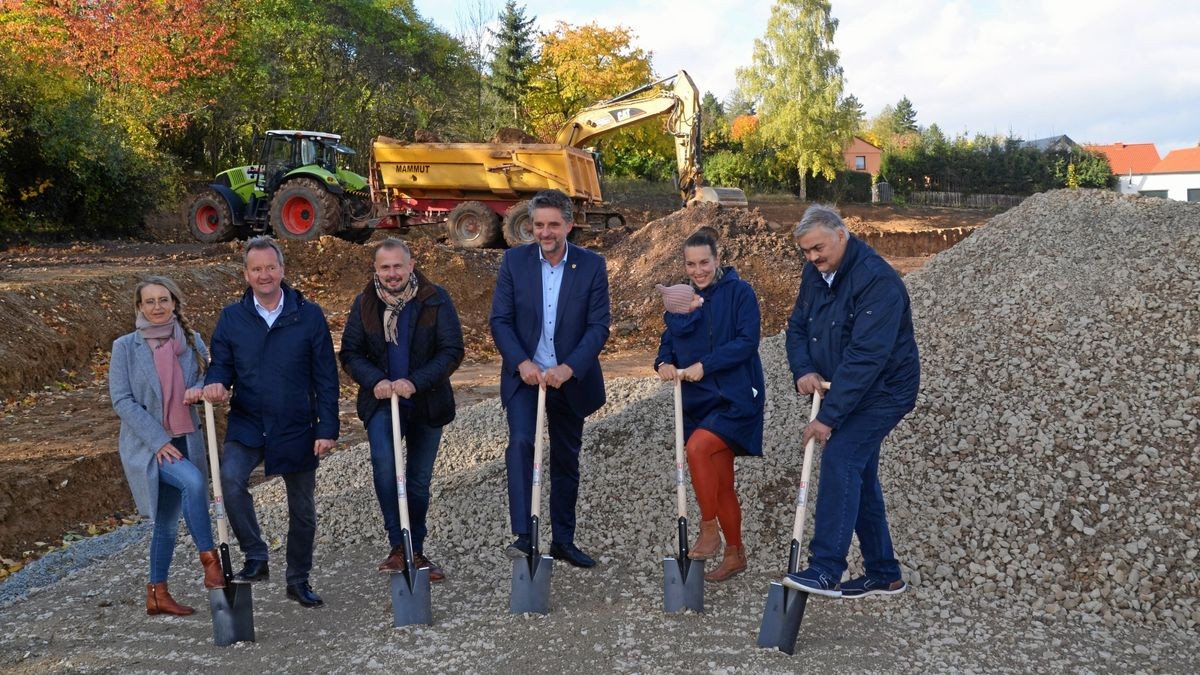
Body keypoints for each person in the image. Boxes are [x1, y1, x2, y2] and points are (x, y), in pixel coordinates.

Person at [781, 204, 920, 599]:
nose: (812, 258)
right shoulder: (816, 273)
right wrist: (804, 369)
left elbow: (866, 357)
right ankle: (884, 573)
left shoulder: (877, 280)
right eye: (806, 251)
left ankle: (826, 569)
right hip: (843, 386)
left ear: (841, 234)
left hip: (884, 391)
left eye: (818, 248)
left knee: (841, 458)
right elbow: (797, 327)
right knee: (858, 475)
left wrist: (828, 417)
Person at [202, 236, 340, 608]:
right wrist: (215, 382)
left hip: (296, 424)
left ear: (282, 269)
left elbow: (326, 376)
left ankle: (298, 580)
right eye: (256, 269)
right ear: (246, 274)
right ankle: (256, 555)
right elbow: (221, 365)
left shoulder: (308, 315)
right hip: (248, 422)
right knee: (230, 480)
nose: (264, 275)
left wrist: (327, 427)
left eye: (270, 267)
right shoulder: (232, 318)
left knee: (303, 510)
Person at [489, 189, 610, 568]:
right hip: (525, 376)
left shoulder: (591, 266)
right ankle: (525, 536)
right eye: (538, 224)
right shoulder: (514, 262)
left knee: (566, 458)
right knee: (521, 443)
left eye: (553, 225)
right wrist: (521, 362)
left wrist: (569, 368)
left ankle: (563, 540)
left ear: (569, 225)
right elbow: (500, 320)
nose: (544, 232)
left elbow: (598, 326)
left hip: (568, 378)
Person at [339, 238, 464, 582]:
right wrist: (376, 380)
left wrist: (415, 381)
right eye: (385, 267)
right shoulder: (365, 303)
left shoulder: (435, 299)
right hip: (381, 402)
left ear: (411, 266)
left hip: (427, 401)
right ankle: (398, 546)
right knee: (385, 469)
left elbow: (452, 350)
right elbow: (350, 353)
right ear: (376, 269)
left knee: (418, 481)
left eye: (398, 266)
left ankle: (416, 549)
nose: (392, 273)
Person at [109, 276, 225, 616]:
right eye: (150, 301)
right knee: (194, 482)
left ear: (174, 303)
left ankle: (157, 593)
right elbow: (122, 400)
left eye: (164, 300)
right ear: (139, 307)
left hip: (186, 436)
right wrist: (159, 441)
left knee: (167, 520)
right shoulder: (125, 347)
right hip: (149, 445)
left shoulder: (192, 341)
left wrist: (200, 388)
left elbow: (208, 374)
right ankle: (210, 561)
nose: (157, 306)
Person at [654, 229, 765, 581]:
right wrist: (663, 363)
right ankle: (735, 554)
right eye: (691, 264)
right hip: (698, 402)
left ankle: (708, 529)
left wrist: (707, 364)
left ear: (717, 260)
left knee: (697, 448)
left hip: (736, 398)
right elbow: (668, 342)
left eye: (704, 262)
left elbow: (747, 342)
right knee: (723, 483)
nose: (698, 270)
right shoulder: (681, 297)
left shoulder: (740, 293)